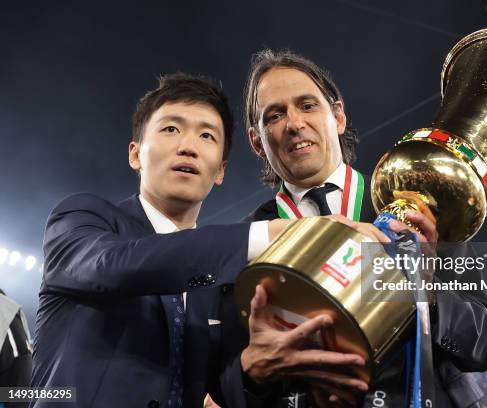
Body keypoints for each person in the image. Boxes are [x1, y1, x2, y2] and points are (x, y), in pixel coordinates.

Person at [215, 49, 487, 407]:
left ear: (337, 115)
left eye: (307, 105)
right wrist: (254, 375)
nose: (294, 123)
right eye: (274, 115)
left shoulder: (419, 205)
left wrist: (425, 291)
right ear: (257, 142)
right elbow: (233, 380)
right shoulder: (247, 241)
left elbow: (486, 344)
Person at [30, 73, 296, 408]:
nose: (188, 146)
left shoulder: (218, 284)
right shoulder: (81, 218)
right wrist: (266, 233)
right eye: (171, 129)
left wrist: (252, 370)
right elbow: (117, 266)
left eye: (207, 135)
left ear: (220, 172)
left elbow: (218, 392)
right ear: (135, 154)